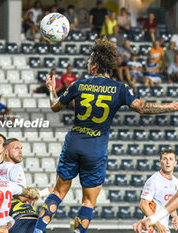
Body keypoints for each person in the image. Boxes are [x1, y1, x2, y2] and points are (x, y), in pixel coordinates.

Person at [33, 38, 178, 233]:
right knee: (88, 201)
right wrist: (173, 106)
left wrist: (51, 89)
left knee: (58, 192)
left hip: (74, 143)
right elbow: (142, 108)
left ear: (94, 65)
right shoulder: (119, 88)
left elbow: (54, 106)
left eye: (88, 60)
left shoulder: (78, 84)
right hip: (95, 149)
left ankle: (38, 230)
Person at [139, 149, 178, 233]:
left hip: (164, 228)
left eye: (171, 159)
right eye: (165, 159)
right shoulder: (154, 181)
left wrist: (175, 215)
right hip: (151, 229)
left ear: (175, 163)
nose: (168, 162)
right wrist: (157, 224)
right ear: (160, 162)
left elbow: (168, 202)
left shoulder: (175, 182)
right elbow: (143, 205)